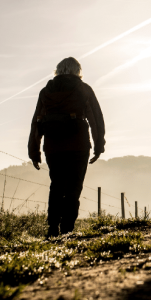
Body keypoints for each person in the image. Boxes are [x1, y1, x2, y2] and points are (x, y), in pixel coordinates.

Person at [28, 57, 105, 237]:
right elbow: (96, 119)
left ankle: (53, 227)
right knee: (74, 187)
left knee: (56, 186)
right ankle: (67, 228)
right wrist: (99, 145)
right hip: (78, 145)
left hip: (53, 146)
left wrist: (34, 149)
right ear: (77, 71)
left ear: (58, 70)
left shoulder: (45, 91)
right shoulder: (84, 89)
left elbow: (37, 121)